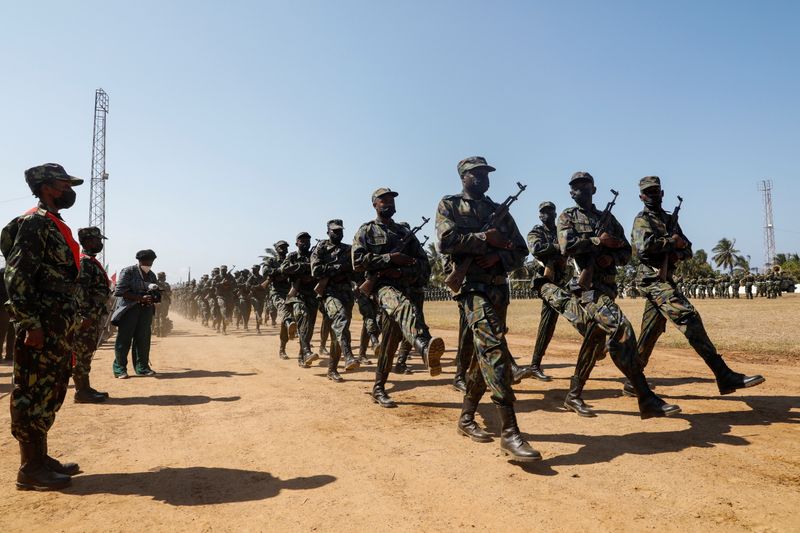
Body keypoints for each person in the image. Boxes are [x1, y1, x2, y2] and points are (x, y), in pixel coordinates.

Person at [436, 156, 540, 462]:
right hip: (471, 289)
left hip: (498, 289)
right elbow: (445, 241)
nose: (483, 178)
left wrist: (499, 256)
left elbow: (520, 249)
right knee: (494, 348)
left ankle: (466, 418)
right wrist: (484, 238)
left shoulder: (499, 211)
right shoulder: (450, 205)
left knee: (483, 357)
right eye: (476, 174)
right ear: (463, 177)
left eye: (486, 173)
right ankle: (510, 431)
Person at [557, 171, 680, 419]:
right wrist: (596, 242)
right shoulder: (567, 216)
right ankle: (645, 396)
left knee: (593, 341)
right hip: (587, 290)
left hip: (608, 288)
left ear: (593, 189)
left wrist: (611, 253)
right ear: (571, 192)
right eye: (575, 188)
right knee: (622, 329)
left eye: (585, 186)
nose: (579, 191)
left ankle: (573, 395)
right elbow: (566, 246)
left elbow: (626, 252)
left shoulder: (608, 218)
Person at [631, 175, 764, 396]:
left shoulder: (668, 219)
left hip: (666, 279)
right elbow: (644, 247)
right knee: (688, 317)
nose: (652, 195)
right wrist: (671, 243)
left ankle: (633, 380)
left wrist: (678, 248)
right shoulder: (641, 219)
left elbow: (688, 248)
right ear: (641, 196)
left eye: (656, 191)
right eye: (648, 192)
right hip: (651, 279)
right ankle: (723, 375)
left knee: (650, 332)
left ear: (662, 193)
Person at [1, 163, 84, 490]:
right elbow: (17, 276)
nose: (69, 190)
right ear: (48, 187)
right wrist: (30, 323)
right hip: (42, 322)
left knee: (50, 388)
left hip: (58, 321)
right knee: (32, 390)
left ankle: (41, 458)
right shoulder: (35, 224)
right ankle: (29, 468)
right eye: (65, 184)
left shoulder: (53, 223)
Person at [352, 187, 444, 408]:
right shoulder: (366, 231)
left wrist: (402, 270)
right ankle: (423, 345)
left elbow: (423, 265)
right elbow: (358, 261)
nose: (389, 203)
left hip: (405, 287)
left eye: (392, 200)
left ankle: (378, 388)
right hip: (382, 288)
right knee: (403, 307)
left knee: (390, 341)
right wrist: (388, 259)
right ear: (374, 204)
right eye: (384, 200)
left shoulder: (405, 233)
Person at [310, 219, 360, 381]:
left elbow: (357, 270)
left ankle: (332, 369)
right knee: (341, 320)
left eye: (340, 231)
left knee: (339, 329)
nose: (338, 233)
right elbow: (316, 270)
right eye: (334, 231)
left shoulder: (349, 249)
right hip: (329, 293)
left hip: (346, 294)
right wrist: (337, 268)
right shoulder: (321, 249)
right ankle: (348, 354)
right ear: (328, 232)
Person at [526, 201, 567, 382]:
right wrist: (558, 248)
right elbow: (536, 248)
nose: (546, 214)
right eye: (543, 212)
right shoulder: (536, 232)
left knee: (584, 310)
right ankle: (535, 365)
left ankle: (597, 347)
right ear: (539, 215)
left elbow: (572, 246)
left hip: (565, 279)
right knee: (548, 323)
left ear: (555, 213)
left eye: (550, 211)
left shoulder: (561, 231)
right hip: (546, 282)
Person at [72, 227, 111, 403]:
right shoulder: (85, 262)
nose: (100, 243)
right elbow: (80, 290)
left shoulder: (90, 261)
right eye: (97, 240)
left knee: (86, 353)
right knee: (82, 354)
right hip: (87, 317)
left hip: (92, 315)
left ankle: (85, 387)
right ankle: (81, 392)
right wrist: (83, 315)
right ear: (88, 241)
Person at [110, 249, 159, 378]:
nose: (149, 263)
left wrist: (153, 297)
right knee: (124, 339)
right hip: (129, 310)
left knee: (143, 339)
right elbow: (119, 291)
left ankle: (142, 367)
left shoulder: (152, 275)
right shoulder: (129, 271)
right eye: (146, 261)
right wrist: (140, 298)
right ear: (139, 260)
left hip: (146, 310)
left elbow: (156, 292)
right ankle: (120, 369)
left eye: (151, 261)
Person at [281, 232, 319, 367]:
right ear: (296, 243)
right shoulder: (292, 256)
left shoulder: (314, 255)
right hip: (297, 295)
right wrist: (303, 267)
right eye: (302, 241)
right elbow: (283, 269)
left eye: (307, 241)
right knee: (303, 319)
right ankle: (307, 351)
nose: (305, 243)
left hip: (312, 295)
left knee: (309, 327)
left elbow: (320, 270)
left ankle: (302, 356)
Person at [0, 267, 15, 363]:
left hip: (9, 303)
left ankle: (9, 354)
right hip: (7, 303)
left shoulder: (4, 271)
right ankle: (8, 354)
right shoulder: (4, 272)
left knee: (9, 329)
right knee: (5, 330)